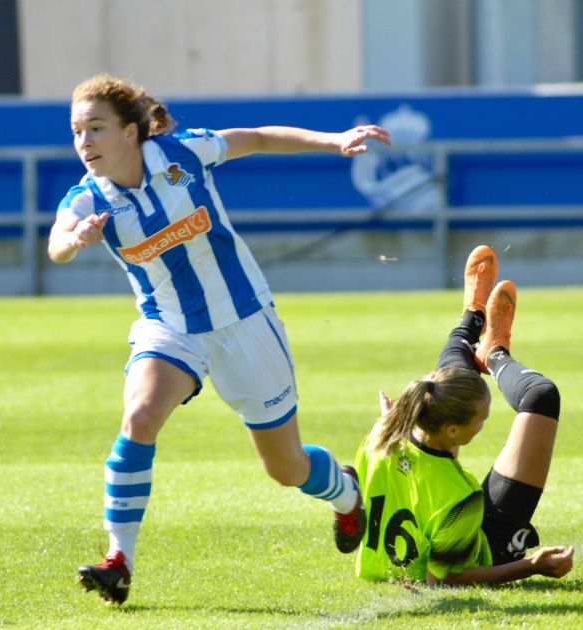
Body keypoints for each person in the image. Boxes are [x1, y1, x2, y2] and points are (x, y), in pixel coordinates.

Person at [48, 74, 393, 604]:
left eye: (96, 128)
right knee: (139, 418)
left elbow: (255, 137)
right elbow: (56, 245)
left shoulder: (183, 153)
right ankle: (119, 559)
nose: (84, 143)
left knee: (286, 468)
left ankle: (346, 494)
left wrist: (332, 140)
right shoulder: (86, 198)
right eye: (77, 132)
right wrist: (74, 238)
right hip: (170, 326)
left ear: (131, 132)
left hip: (245, 319)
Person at [353, 244, 574, 585]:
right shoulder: (462, 499)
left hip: (424, 533)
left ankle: (471, 318)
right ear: (454, 432)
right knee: (541, 398)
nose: (486, 423)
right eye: (481, 419)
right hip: (486, 546)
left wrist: (393, 423)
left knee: (451, 389)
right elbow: (440, 580)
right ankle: (495, 353)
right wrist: (531, 565)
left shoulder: (378, 439)